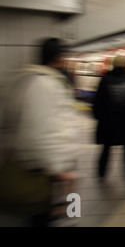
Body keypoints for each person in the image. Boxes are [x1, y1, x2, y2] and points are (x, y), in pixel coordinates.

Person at [0, 37, 79, 227]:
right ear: (58, 58)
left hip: (40, 167)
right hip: (38, 171)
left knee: (48, 215)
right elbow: (41, 131)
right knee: (41, 216)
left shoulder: (32, 79)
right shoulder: (43, 84)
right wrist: (59, 168)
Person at [93, 55, 125, 186]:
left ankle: (101, 174)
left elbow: (98, 101)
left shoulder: (105, 79)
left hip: (109, 121)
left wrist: (99, 117)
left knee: (106, 149)